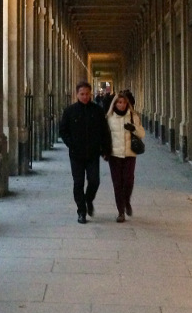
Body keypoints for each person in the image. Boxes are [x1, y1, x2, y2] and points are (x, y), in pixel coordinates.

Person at [59, 81, 112, 224]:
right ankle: (81, 211)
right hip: (76, 154)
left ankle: (88, 199)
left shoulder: (97, 111)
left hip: (93, 153)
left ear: (91, 94)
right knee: (78, 183)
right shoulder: (70, 111)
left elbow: (104, 132)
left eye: (87, 94)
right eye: (82, 94)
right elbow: (63, 130)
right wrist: (71, 144)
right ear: (77, 94)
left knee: (94, 180)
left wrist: (106, 150)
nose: (85, 97)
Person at [105, 91, 145, 222]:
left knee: (128, 181)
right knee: (117, 183)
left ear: (128, 103)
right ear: (115, 103)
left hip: (129, 154)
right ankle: (120, 211)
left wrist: (133, 128)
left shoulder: (133, 116)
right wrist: (104, 151)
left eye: (124, 103)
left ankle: (127, 200)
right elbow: (105, 136)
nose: (121, 105)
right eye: (119, 102)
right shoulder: (109, 117)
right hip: (114, 155)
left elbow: (142, 134)